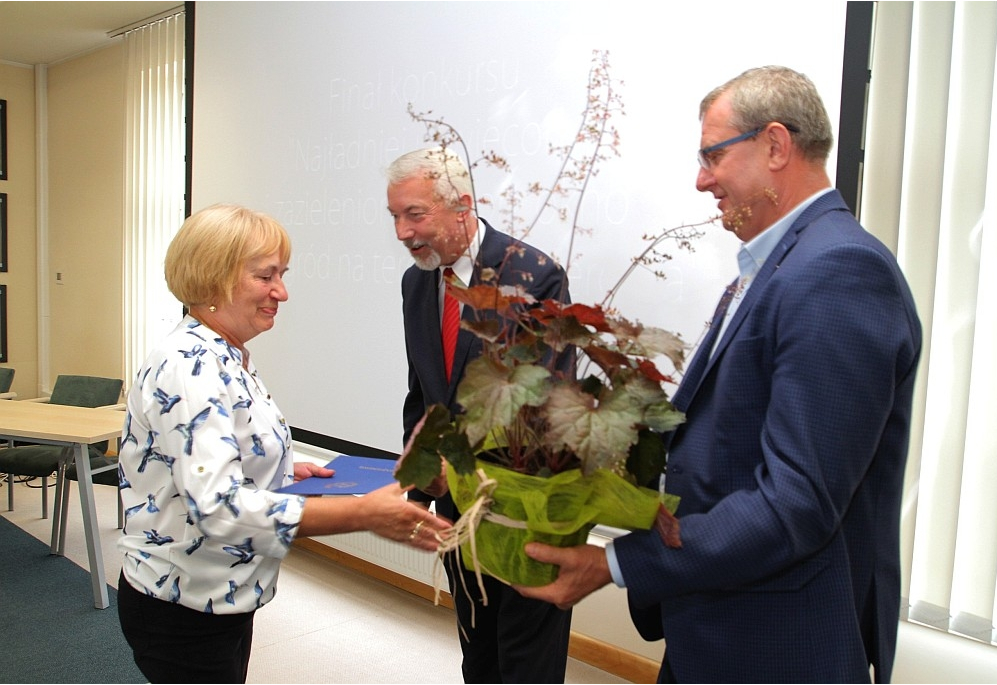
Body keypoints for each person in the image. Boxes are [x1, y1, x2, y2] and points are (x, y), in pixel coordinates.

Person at [516, 66, 923, 683]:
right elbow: (730, 437)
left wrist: (616, 564)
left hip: (776, 645)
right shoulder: (776, 266)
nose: (702, 180)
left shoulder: (837, 272)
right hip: (720, 623)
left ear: (776, 145)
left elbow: (797, 503)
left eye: (713, 156)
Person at [116, 203, 451, 684]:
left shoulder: (222, 354)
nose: (282, 292)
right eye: (265, 276)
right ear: (214, 278)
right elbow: (220, 511)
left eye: (282, 274)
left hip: (217, 596)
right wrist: (364, 514)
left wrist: (283, 465)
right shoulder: (192, 368)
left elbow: (213, 449)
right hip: (185, 607)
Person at [386, 147, 575, 683]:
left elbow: (541, 406)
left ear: (463, 206)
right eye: (395, 217)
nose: (402, 232)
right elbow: (423, 397)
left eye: (414, 214)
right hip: (456, 517)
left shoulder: (533, 276)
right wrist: (422, 488)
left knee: (525, 668)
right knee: (479, 660)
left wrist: (464, 469)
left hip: (523, 513)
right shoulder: (416, 283)